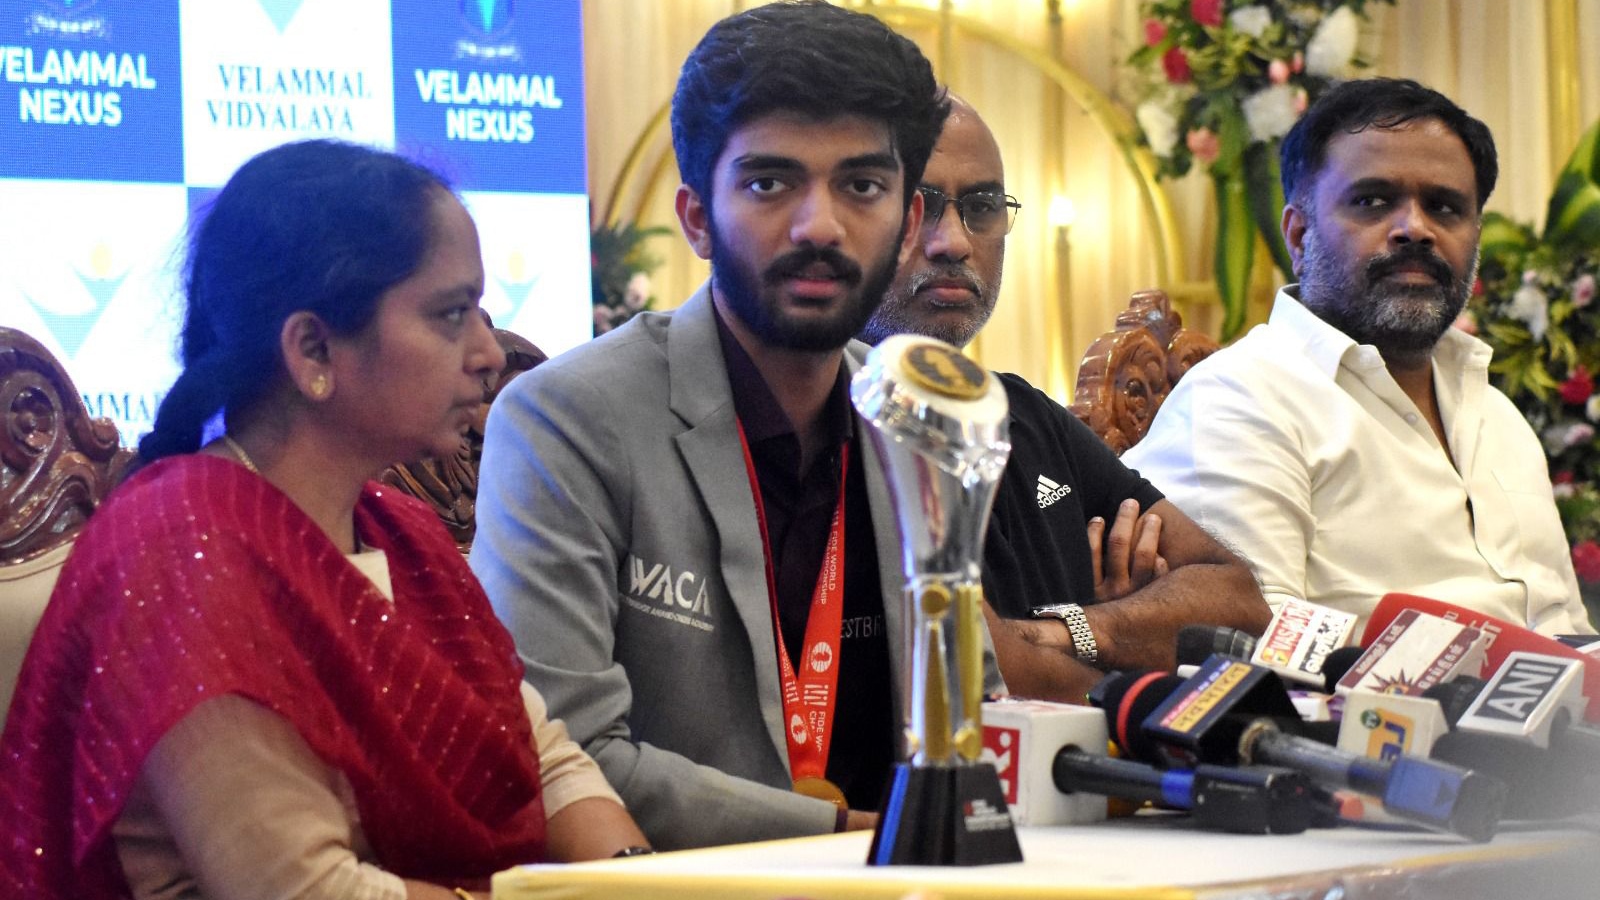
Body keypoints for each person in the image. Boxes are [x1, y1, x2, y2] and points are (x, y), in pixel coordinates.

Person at [0, 139, 649, 900]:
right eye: (450, 315)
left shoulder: (404, 535)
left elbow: (545, 761)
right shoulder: (181, 551)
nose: (487, 353)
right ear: (312, 347)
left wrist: (639, 883)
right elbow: (304, 891)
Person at [470, 0, 1001, 851]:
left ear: (905, 225)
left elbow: (972, 711)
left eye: (861, 185)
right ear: (695, 219)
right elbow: (563, 752)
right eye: (768, 183)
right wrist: (851, 831)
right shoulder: (566, 420)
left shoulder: (919, 422)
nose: (819, 225)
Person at [1124, 78, 1596, 636]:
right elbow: (1248, 650)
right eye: (1373, 201)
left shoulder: (1499, 417)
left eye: (1444, 208)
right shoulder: (1240, 401)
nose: (1415, 229)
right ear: (1298, 237)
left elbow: (1570, 631)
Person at [861, 97, 1268, 699]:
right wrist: (1129, 643)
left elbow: (1240, 603)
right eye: (915, 207)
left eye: (981, 207)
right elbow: (976, 674)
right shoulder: (831, 421)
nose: (952, 241)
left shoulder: (1024, 413)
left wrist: (1075, 629)